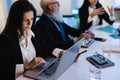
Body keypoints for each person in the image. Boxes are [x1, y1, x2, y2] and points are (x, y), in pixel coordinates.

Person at [0, 0, 57, 79]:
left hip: (33, 76)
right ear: (16, 20)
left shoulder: (32, 31)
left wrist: (60, 52)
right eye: (25, 20)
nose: (30, 23)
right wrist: (27, 66)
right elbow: (3, 70)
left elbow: (45, 47)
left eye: (32, 19)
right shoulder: (4, 39)